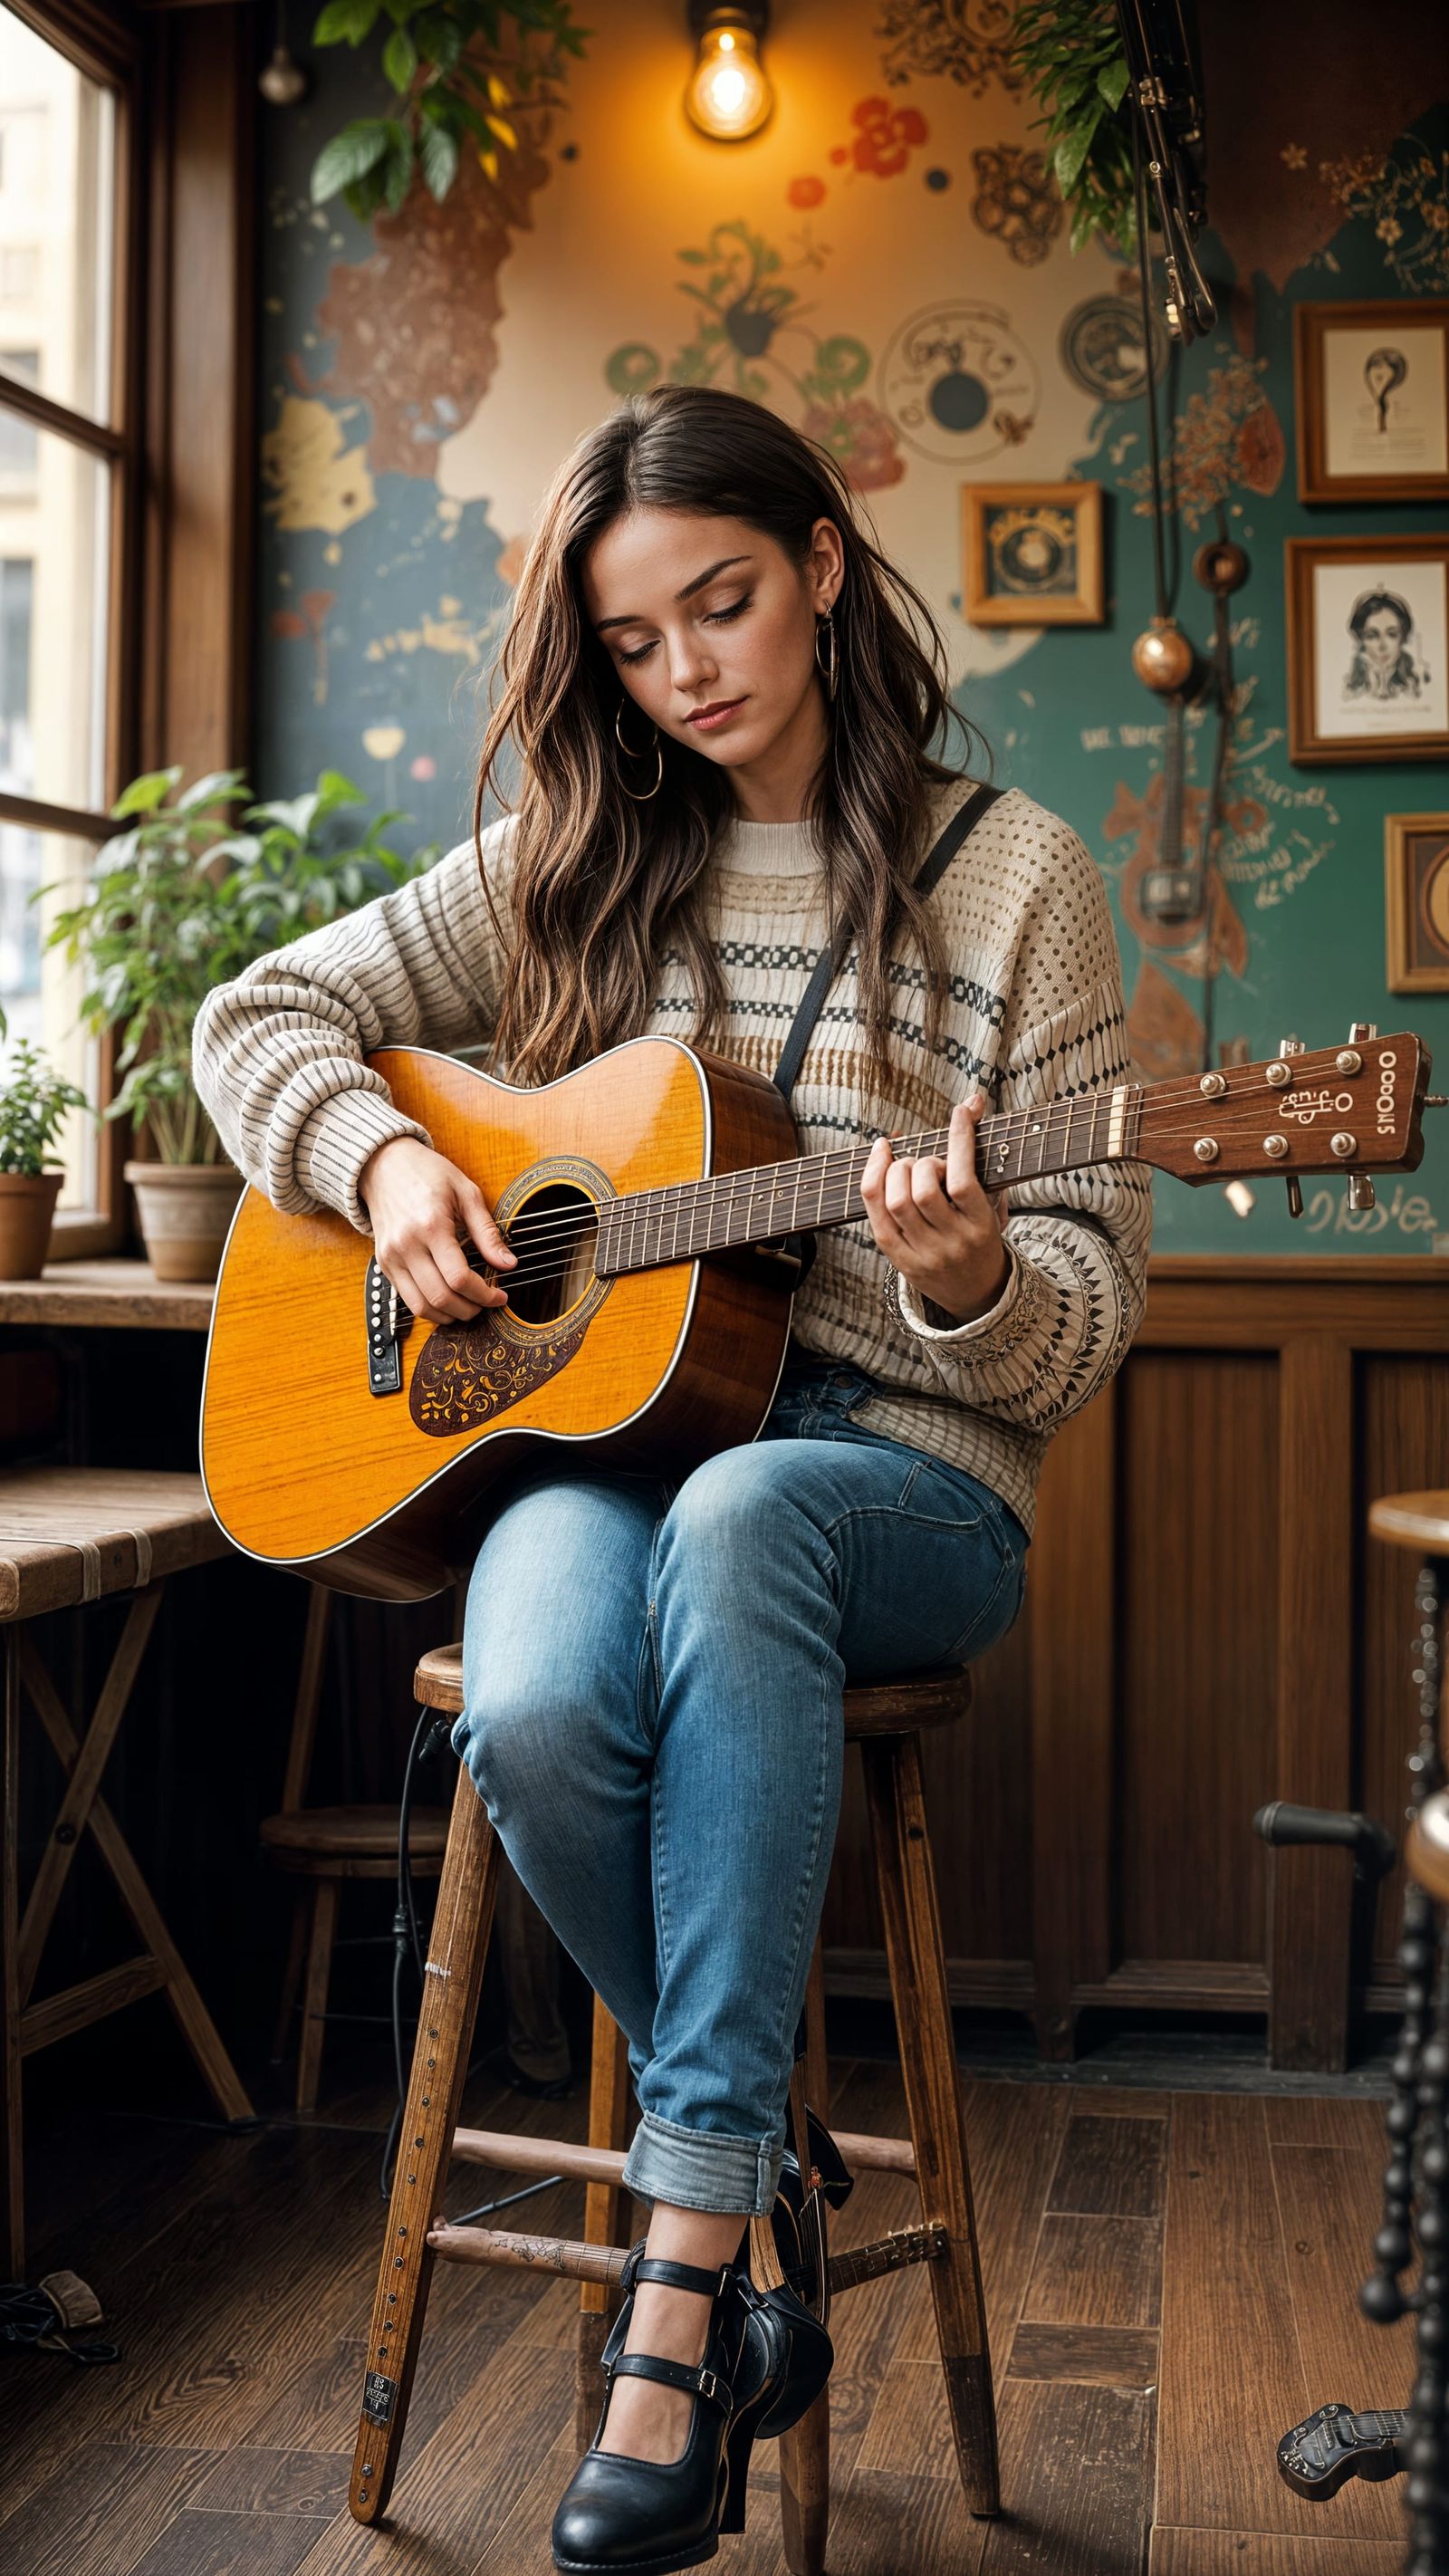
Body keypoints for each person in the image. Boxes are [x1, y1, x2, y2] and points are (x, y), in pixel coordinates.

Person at [194, 382, 1152, 2571]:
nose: (687, 670)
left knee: (742, 1521)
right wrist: (390, 1163)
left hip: (896, 1484)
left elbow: (1087, 1325)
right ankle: (770, 2165)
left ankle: (681, 2270)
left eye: (719, 605)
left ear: (820, 564)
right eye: (633, 641)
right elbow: (254, 1017)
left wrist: (970, 1273)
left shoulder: (1018, 882)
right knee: (525, 1700)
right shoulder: (571, 857)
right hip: (604, 1454)